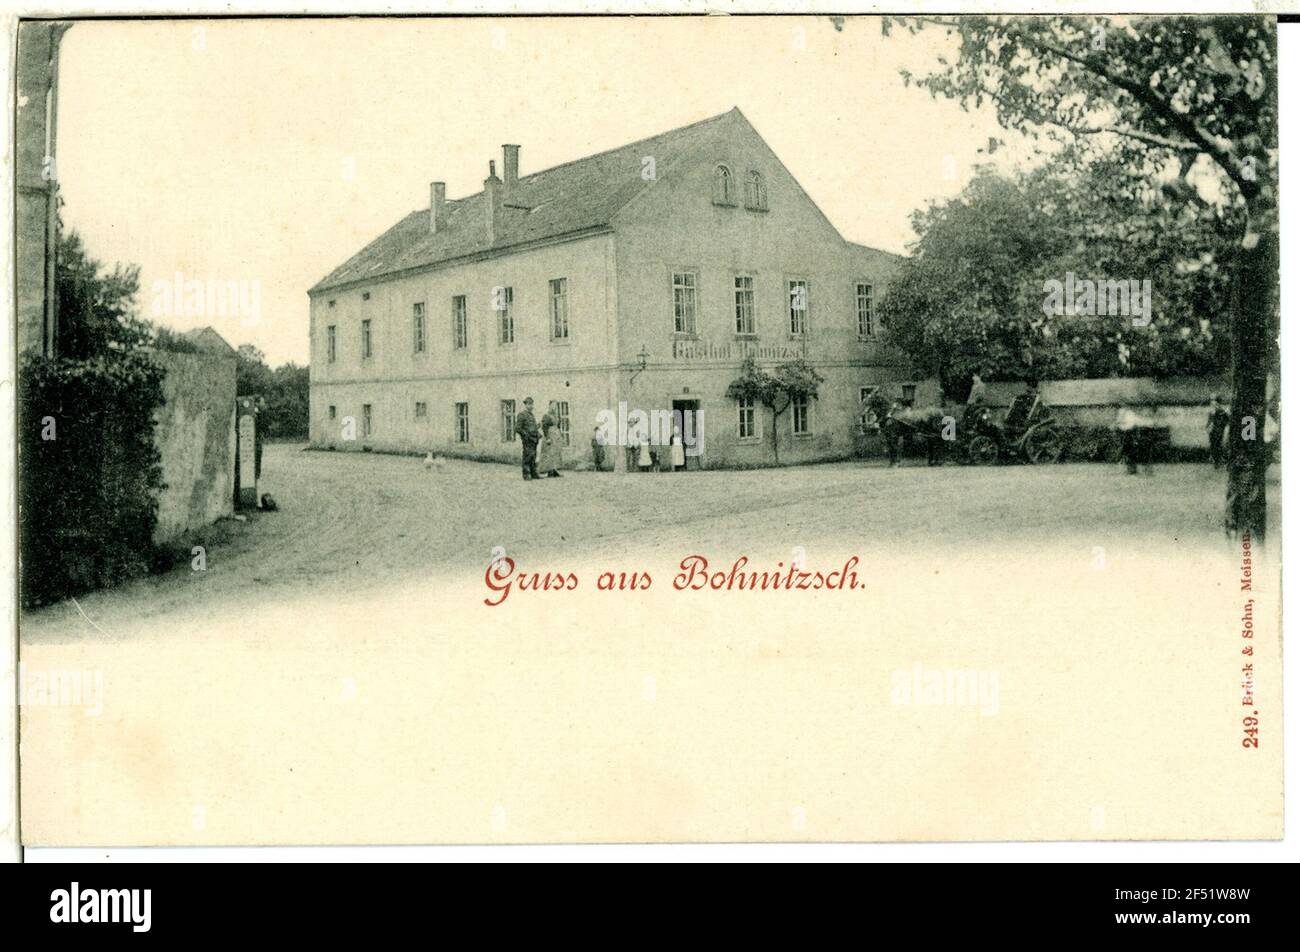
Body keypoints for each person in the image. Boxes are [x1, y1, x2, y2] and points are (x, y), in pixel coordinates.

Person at [514, 397, 541, 480]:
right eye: (529, 404)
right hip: (527, 440)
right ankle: (526, 474)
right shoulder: (522, 415)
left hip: (534, 439)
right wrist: (525, 435)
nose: (531, 406)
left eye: (532, 404)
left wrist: (537, 430)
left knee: (533, 456)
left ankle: (533, 473)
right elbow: (517, 428)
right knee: (527, 456)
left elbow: (532, 427)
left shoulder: (531, 415)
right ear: (525, 405)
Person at [537, 404, 563, 477]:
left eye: (555, 407)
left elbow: (558, 426)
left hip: (556, 437)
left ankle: (554, 469)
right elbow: (544, 427)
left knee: (555, 453)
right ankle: (549, 471)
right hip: (550, 435)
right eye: (552, 406)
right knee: (549, 453)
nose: (554, 408)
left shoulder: (556, 416)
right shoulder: (546, 416)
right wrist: (547, 438)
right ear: (549, 407)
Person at [1206, 394, 1230, 469]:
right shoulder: (1212, 411)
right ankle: (1216, 461)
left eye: (1214, 401)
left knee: (1217, 446)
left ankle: (1218, 462)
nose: (1212, 403)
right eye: (1211, 401)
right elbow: (1209, 422)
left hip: (1218, 431)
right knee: (1214, 446)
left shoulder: (1221, 412)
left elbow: (1226, 421)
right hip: (1212, 431)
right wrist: (1208, 427)